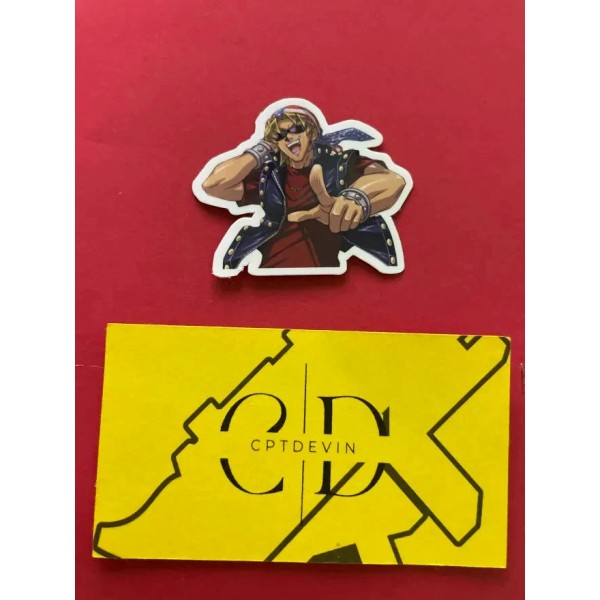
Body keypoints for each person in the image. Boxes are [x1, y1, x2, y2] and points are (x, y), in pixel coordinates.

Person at [201, 104, 408, 273]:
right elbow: (213, 185)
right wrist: (262, 148)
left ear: (311, 132)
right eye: (280, 135)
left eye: (295, 129)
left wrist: (356, 198)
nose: (288, 138)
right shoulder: (270, 176)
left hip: (327, 277)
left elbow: (392, 180)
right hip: (267, 276)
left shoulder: (338, 165)